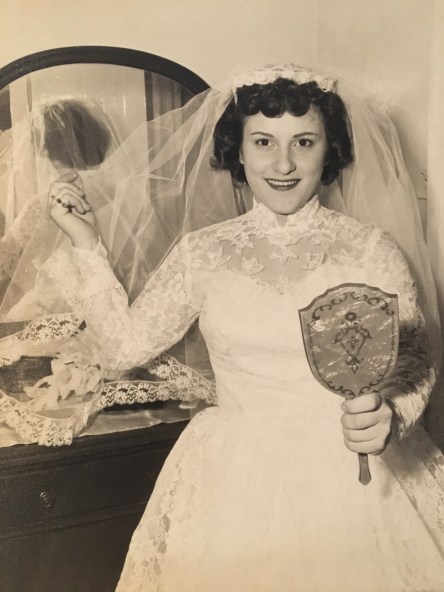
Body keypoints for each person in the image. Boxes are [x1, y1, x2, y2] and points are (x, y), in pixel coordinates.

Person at [34, 64, 444, 589]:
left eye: (304, 142)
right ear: (240, 150)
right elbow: (120, 349)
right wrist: (85, 242)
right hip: (230, 480)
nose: (283, 163)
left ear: (329, 149)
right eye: (263, 141)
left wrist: (391, 416)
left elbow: (414, 362)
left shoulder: (371, 250)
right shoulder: (201, 254)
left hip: (352, 478)